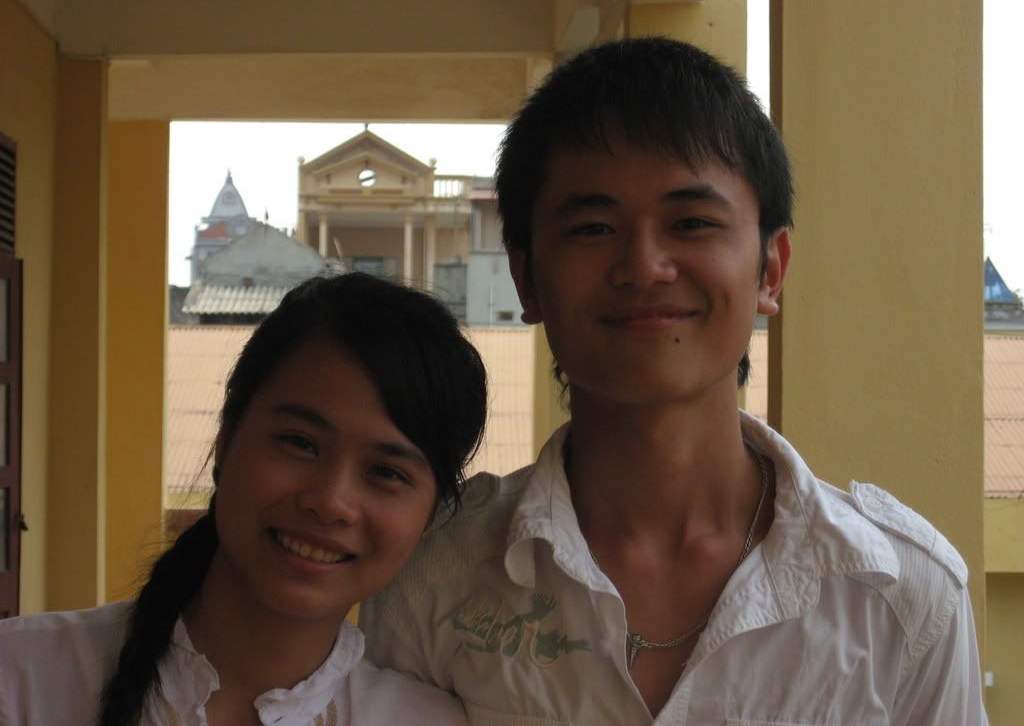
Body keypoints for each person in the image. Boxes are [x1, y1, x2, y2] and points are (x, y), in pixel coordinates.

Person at [361, 37, 988, 725]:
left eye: (691, 223)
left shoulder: (901, 594)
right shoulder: (435, 576)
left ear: (771, 270)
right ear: (526, 277)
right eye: (593, 228)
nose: (645, 265)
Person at [0, 272, 487, 726]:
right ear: (226, 439)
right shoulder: (18, 678)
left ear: (430, 515)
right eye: (300, 443)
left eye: (386, 472)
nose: (330, 502)